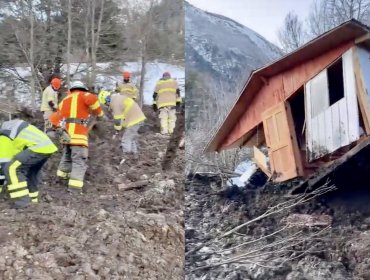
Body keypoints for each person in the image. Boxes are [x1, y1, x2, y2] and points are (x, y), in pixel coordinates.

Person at [50, 81, 105, 193]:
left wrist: (59, 129)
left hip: (66, 137)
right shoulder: (84, 95)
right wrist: (100, 115)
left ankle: (61, 180)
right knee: (79, 162)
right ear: (83, 88)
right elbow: (93, 100)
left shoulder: (64, 101)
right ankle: (74, 189)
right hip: (79, 136)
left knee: (66, 157)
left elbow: (54, 120)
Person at [0, 120, 57, 209]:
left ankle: (22, 204)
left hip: (38, 147)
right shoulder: (8, 127)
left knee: (11, 168)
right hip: (46, 147)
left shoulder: (3, 137)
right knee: (30, 173)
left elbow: (3, 165)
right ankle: (33, 203)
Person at [98, 90, 146, 157]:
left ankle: (127, 157)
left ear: (107, 100)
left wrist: (116, 131)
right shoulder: (118, 98)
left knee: (126, 139)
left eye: (106, 103)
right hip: (137, 118)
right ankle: (134, 155)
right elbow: (122, 117)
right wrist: (121, 127)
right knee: (131, 138)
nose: (107, 105)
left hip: (133, 120)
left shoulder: (114, 103)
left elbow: (118, 120)